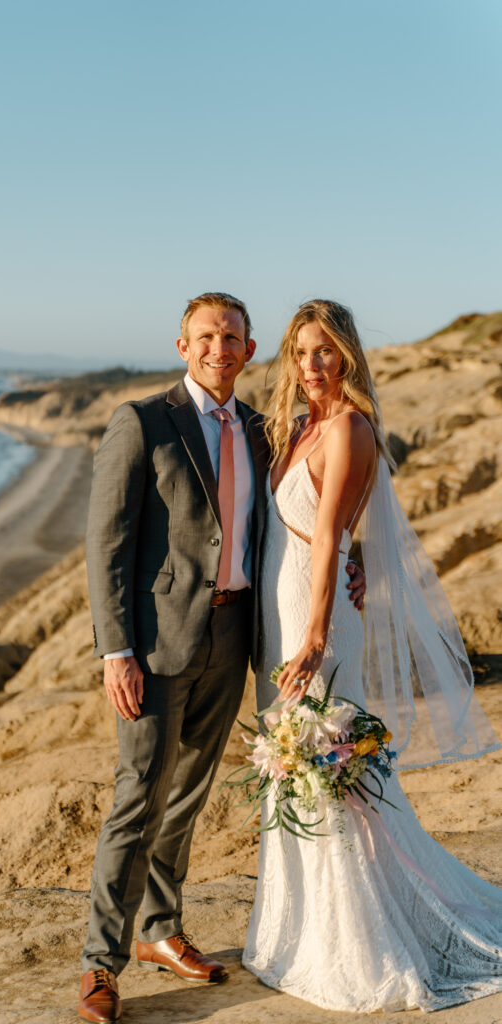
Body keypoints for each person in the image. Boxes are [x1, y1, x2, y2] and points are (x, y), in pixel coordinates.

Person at [77, 292, 366, 1023]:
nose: (219, 348)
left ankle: (160, 929)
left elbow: (306, 518)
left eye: (232, 337)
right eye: (206, 336)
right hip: (157, 644)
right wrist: (116, 650)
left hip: (237, 636)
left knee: (188, 795)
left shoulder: (263, 431)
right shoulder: (141, 422)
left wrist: (352, 560)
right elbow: (106, 544)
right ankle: (99, 964)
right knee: (138, 797)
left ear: (247, 348)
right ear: (182, 346)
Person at [243, 298, 502, 1013]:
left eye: (323, 351)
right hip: (278, 610)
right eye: (299, 353)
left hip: (310, 618)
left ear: (347, 355)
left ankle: (356, 940)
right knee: (295, 772)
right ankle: (296, 932)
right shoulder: (298, 426)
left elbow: (330, 537)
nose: (311, 366)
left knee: (328, 771)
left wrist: (318, 635)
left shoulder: (349, 428)